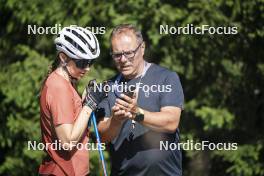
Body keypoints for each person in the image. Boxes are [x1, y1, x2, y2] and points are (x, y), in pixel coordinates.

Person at [97, 24, 184, 176]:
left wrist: (137, 113)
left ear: (142, 48)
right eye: (117, 55)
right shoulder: (107, 88)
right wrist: (116, 121)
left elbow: (171, 122)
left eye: (129, 53)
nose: (123, 59)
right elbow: (101, 137)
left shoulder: (166, 77)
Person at [39, 26, 107, 176]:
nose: (87, 68)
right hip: (63, 171)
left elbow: (73, 120)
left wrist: (85, 102)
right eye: (82, 62)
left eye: (91, 62)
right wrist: (89, 106)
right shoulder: (59, 87)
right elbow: (68, 141)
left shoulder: (66, 82)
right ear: (63, 57)